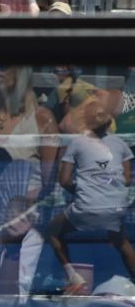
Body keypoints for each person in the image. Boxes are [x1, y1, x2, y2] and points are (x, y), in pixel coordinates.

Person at [45, 87, 135, 292]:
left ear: (86, 121)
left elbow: (64, 180)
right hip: (115, 207)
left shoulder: (76, 144)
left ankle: (74, 277)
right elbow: (127, 180)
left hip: (85, 209)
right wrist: (106, 186)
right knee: (121, 242)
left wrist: (84, 190)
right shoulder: (122, 144)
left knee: (52, 231)